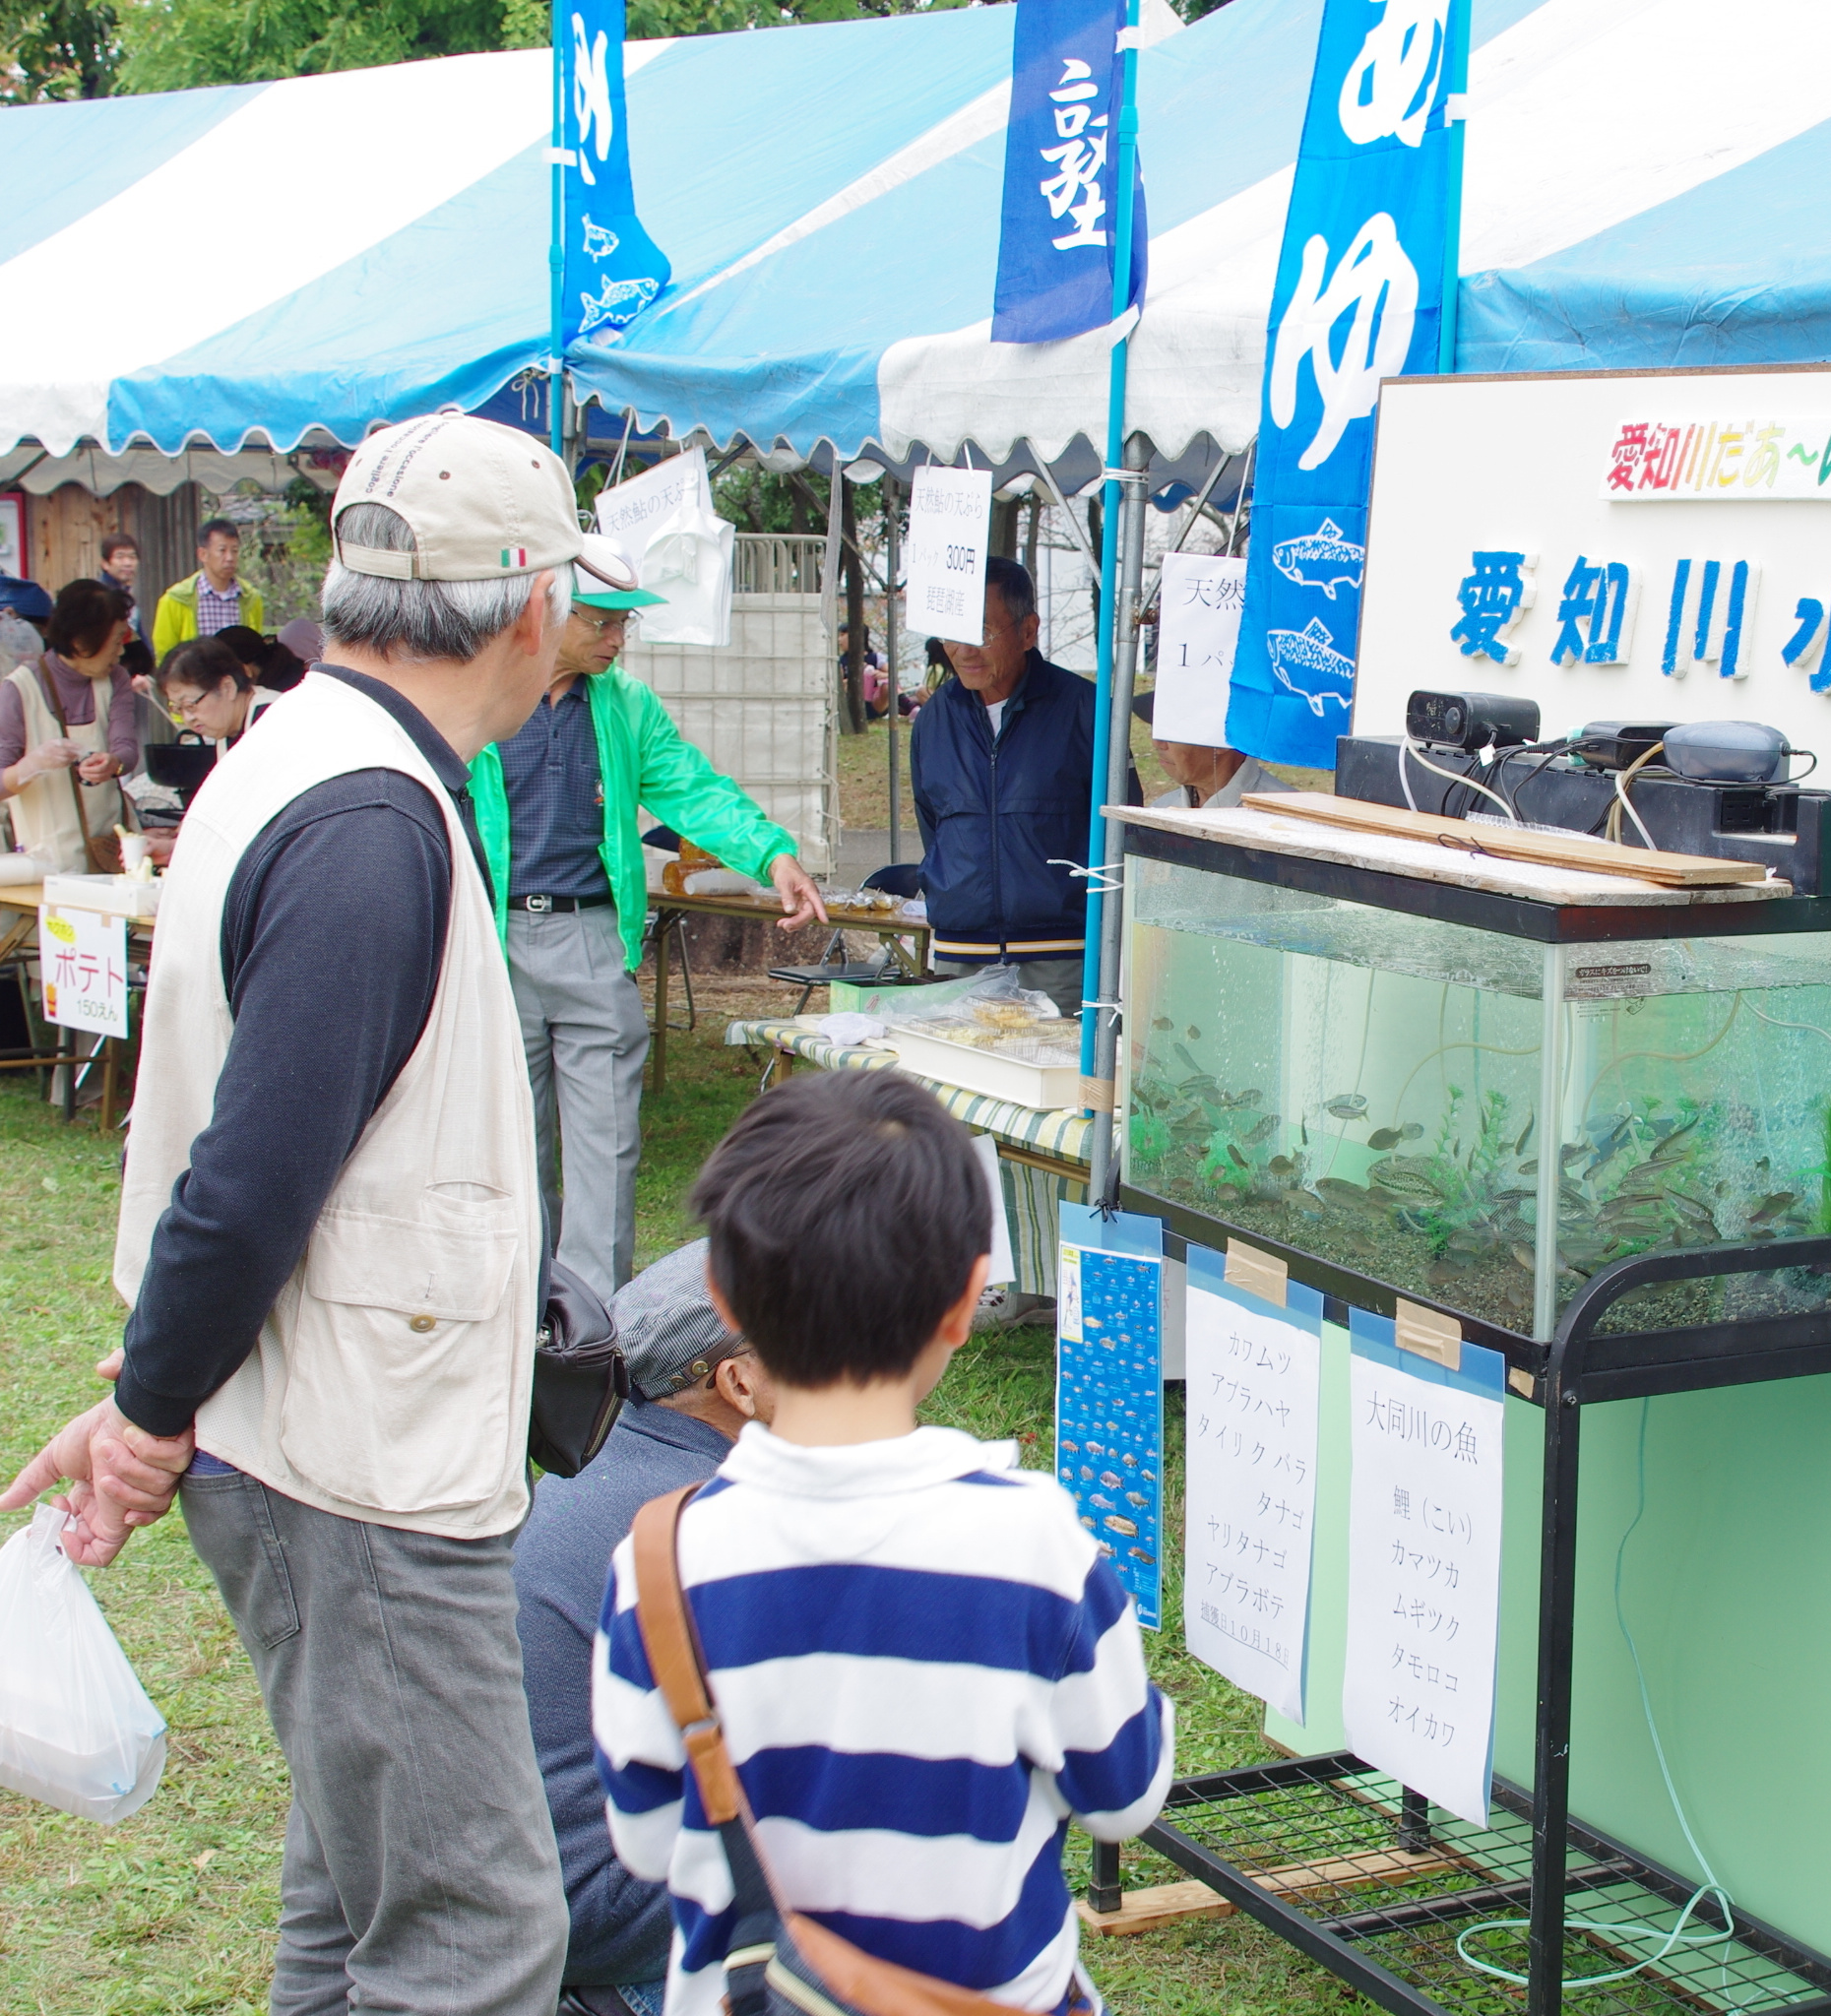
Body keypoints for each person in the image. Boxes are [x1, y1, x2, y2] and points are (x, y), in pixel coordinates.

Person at [0, 410, 630, 2014]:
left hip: (323, 1433)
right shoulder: (368, 819)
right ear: (532, 606)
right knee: (472, 1936)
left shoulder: (309, 757)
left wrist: (156, 1398)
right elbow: (249, 1179)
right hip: (359, 1469)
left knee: (361, 1907)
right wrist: (148, 1412)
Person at [594, 1069, 1171, 2015]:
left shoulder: (658, 1559)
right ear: (965, 1301)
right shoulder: (1031, 1542)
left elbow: (649, 1841)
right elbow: (1123, 1798)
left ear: (722, 1295)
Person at [468, 534, 826, 1300]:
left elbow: (693, 789)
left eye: (623, 622)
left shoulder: (625, 704)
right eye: (601, 620)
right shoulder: (479, 694)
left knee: (606, 1145)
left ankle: (596, 1326)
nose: (616, 637)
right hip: (489, 941)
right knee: (507, 1145)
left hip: (591, 937)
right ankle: (519, 1310)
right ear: (546, 610)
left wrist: (772, 856)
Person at [515, 1239, 767, 2016]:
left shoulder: (603, 1462)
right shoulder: (713, 1522)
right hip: (607, 1915)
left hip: (529, 1888)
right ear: (740, 1383)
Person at [911, 556, 1135, 1015]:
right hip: (961, 950)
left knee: (1056, 1062)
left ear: (1028, 630)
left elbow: (1122, 827)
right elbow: (931, 823)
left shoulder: (1087, 710)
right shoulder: (933, 719)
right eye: (953, 633)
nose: (965, 650)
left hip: (1063, 954)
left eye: (983, 632)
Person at [1, 579, 141, 871]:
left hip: (111, 851)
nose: (121, 652)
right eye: (116, 641)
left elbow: (126, 749)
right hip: (45, 863)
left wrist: (113, 763)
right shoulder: (18, 689)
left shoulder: (115, 678)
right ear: (80, 642)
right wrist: (31, 766)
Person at [1131, 688, 1277, 809]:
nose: (1157, 743)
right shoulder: (1161, 809)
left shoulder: (1278, 815)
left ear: (1223, 739)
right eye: (1157, 730)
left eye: (1171, 732)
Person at [148, 516, 263, 658]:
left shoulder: (250, 599)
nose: (230, 558)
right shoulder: (176, 600)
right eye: (222, 550)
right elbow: (164, 655)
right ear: (203, 554)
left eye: (234, 551)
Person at [154, 636, 271, 747]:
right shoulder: (226, 728)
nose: (188, 718)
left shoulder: (270, 720)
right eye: (178, 708)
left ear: (227, 687)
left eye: (190, 705)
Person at [99, 531, 140, 623]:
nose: (128, 563)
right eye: (120, 557)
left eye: (132, 557)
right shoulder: (99, 597)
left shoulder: (127, 593)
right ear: (105, 564)